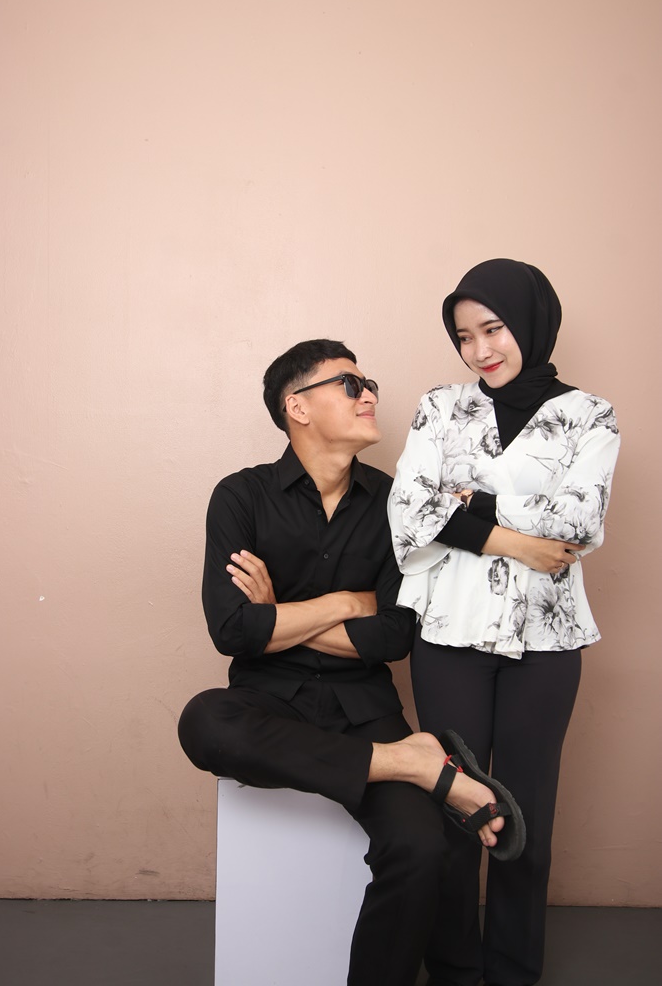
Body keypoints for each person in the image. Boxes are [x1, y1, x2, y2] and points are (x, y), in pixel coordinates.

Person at [178, 338, 523, 986]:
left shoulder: (395, 503)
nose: (368, 395)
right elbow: (233, 630)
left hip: (363, 705)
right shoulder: (240, 496)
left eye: (369, 385)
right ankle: (413, 761)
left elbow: (392, 634)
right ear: (297, 406)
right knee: (203, 721)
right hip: (268, 699)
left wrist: (279, 614)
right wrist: (342, 603)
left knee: (421, 847)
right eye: (348, 384)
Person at [388, 259, 620, 986]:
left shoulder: (590, 415)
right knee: (455, 805)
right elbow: (408, 510)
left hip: (547, 639)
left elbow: (580, 521)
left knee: (528, 815)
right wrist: (517, 540)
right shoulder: (440, 407)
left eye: (493, 329)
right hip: (449, 633)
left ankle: (515, 970)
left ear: (529, 322)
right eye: (464, 336)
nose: (479, 350)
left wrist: (471, 504)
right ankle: (455, 969)